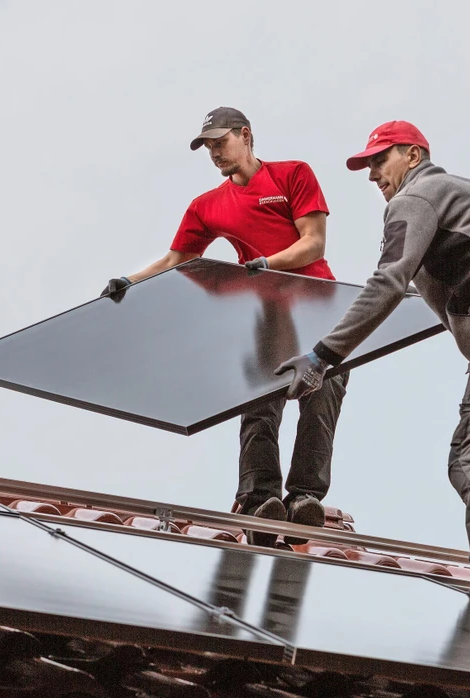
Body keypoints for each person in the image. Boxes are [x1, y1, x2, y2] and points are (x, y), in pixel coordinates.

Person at [275, 121, 470, 619]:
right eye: (367, 165)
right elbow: (409, 298)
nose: (373, 174)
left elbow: (386, 282)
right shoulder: (466, 193)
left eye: (381, 160)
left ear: (415, 155)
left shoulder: (416, 198)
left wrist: (321, 357)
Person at [100, 107, 349, 546]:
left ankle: (305, 498)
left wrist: (267, 263)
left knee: (322, 394)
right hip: (266, 316)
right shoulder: (207, 206)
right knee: (258, 403)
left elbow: (313, 241)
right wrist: (129, 282)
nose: (215, 152)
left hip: (318, 308)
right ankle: (259, 499)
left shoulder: (293, 175)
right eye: (208, 147)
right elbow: (177, 261)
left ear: (246, 135)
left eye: (221, 142)